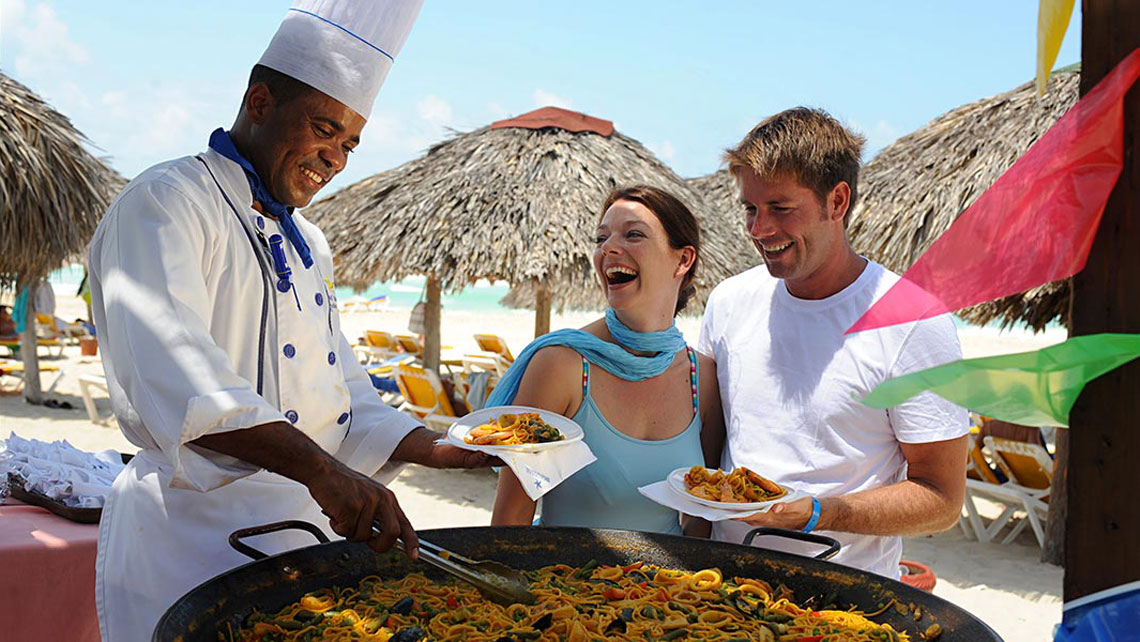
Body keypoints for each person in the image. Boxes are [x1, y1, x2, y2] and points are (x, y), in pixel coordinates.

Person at [86, 2, 492, 639]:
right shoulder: (166, 202)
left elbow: (347, 398)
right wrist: (325, 473)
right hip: (190, 537)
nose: (334, 158)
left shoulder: (311, 242)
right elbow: (185, 385)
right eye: (323, 129)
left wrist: (450, 449)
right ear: (259, 101)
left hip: (301, 538)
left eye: (349, 145)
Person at [698, 108, 969, 579]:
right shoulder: (728, 302)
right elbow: (706, 446)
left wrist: (819, 513)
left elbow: (942, 500)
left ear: (837, 201)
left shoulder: (913, 321)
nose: (759, 229)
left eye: (780, 208)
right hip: (722, 586)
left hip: (846, 599)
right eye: (750, 208)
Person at [491, 185, 724, 534]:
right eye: (601, 238)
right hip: (564, 582)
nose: (608, 249)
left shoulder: (701, 377)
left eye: (633, 234)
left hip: (670, 587)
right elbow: (511, 520)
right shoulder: (562, 365)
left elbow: (701, 518)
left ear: (683, 260)